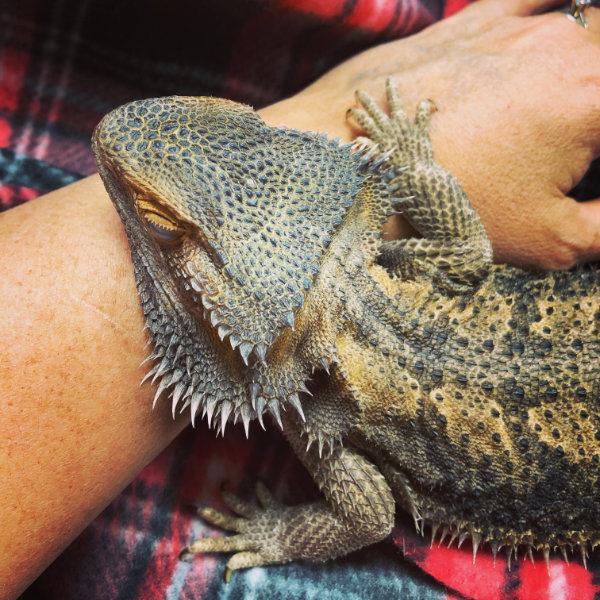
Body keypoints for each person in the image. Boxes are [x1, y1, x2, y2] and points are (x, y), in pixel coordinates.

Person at [1, 0, 599, 598]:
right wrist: (416, 160)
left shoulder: (335, 409)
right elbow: (464, 253)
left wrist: (278, 536)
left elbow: (366, 515)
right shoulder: (404, 276)